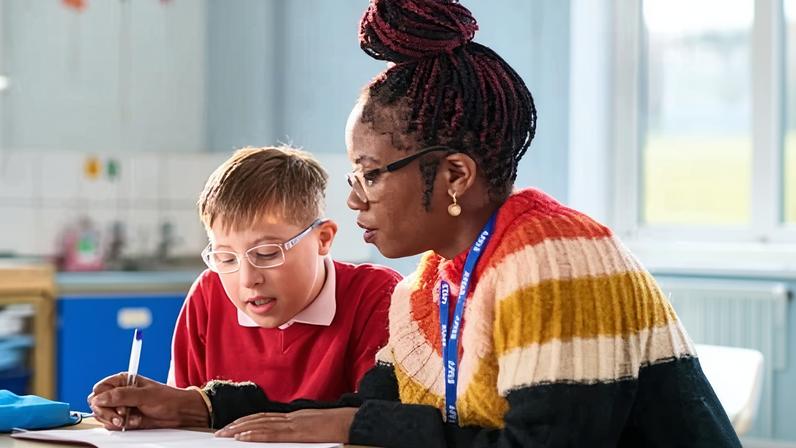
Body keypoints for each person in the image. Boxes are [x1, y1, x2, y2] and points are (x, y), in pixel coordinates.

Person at [89, 1, 741, 447]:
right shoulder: (430, 285)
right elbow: (359, 406)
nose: (354, 200)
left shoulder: (556, 259)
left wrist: (357, 427)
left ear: (454, 176)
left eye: (371, 173)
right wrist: (198, 406)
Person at [90, 146, 401, 426]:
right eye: (225, 258)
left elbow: (376, 421)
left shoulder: (377, 295)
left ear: (323, 239)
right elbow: (184, 420)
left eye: (266, 254)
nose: (247, 279)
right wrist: (149, 413)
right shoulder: (209, 294)